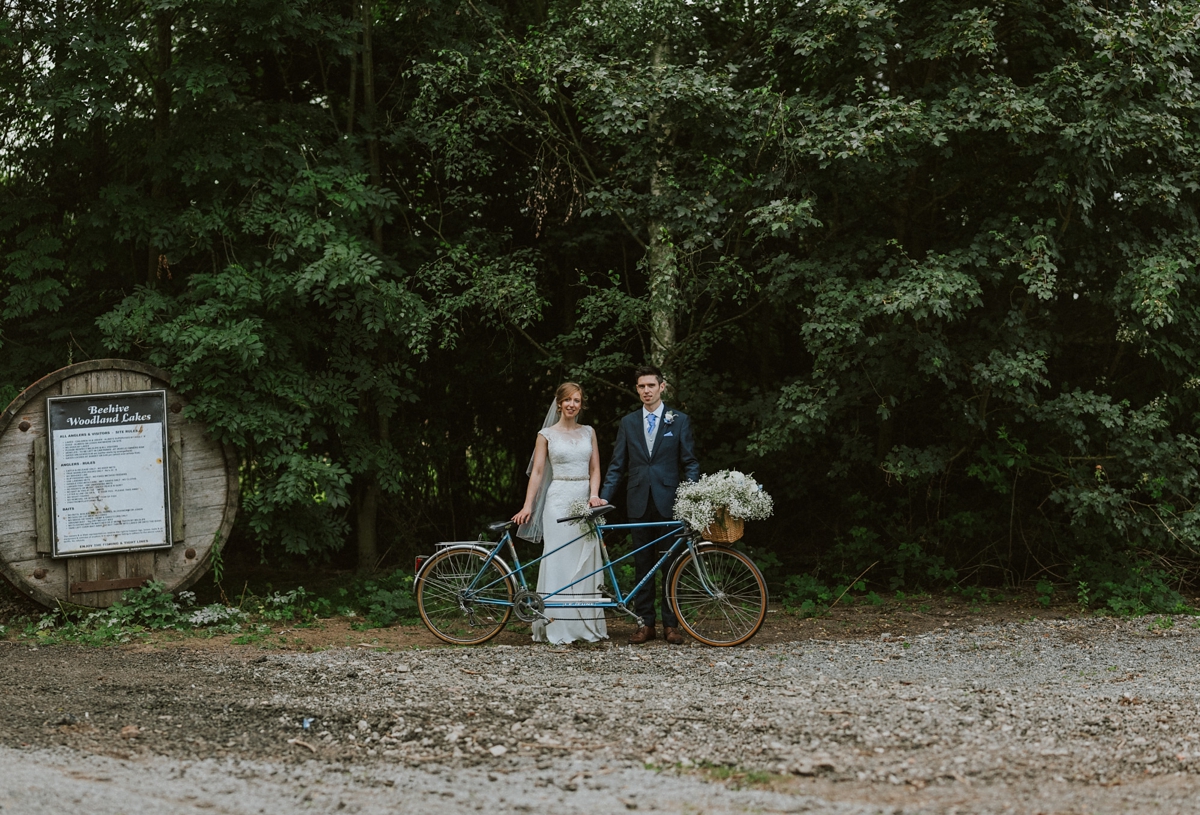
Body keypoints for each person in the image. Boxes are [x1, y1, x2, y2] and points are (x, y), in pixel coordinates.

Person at [598, 365, 699, 644]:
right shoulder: (629, 423)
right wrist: (604, 497)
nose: (646, 391)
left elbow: (689, 463)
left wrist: (690, 497)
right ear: (637, 389)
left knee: (671, 565)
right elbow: (617, 466)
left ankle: (671, 625)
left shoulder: (678, 420)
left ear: (662, 387)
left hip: (670, 503)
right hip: (638, 501)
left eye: (650, 386)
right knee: (643, 565)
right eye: (641, 387)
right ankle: (645, 623)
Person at [512, 382, 608, 645]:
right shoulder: (546, 434)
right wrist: (528, 505)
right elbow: (539, 473)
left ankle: (584, 626)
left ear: (581, 404)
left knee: (585, 559)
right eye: (567, 400)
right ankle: (556, 626)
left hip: (583, 500)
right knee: (557, 559)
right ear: (558, 403)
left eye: (576, 400)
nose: (571, 404)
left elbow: (595, 468)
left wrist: (593, 495)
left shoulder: (589, 432)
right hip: (557, 500)